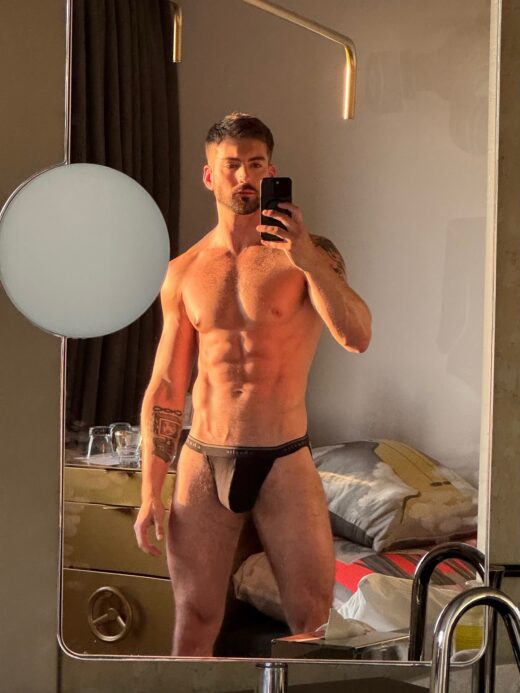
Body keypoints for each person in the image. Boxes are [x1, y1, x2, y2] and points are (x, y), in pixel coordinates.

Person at [134, 112, 372, 656]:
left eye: (256, 164)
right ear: (209, 175)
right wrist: (149, 491)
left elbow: (357, 336)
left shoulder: (310, 256)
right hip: (204, 457)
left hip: (283, 457)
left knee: (310, 621)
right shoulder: (184, 271)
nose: (245, 176)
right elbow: (167, 385)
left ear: (271, 171)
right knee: (195, 619)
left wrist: (306, 258)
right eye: (232, 165)